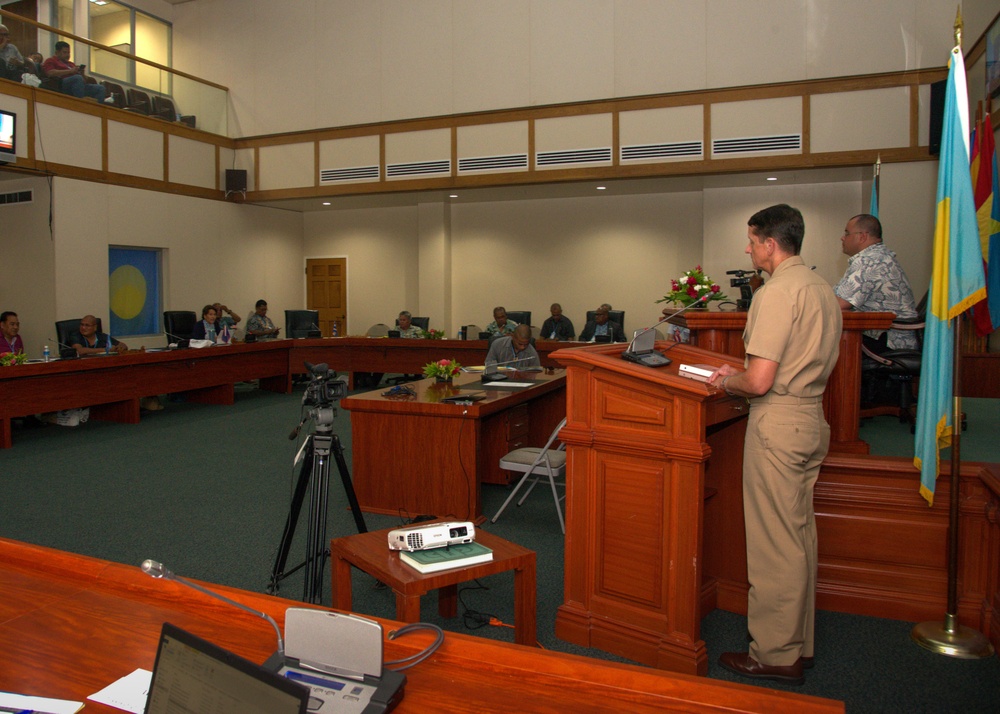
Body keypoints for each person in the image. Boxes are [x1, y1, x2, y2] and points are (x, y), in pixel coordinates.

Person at [707, 204, 841, 686]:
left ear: (769, 243)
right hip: (811, 420)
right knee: (799, 536)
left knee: (773, 545)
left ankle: (774, 654)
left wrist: (727, 382)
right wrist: (740, 376)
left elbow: (760, 381)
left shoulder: (777, 291)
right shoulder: (822, 287)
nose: (747, 249)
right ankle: (797, 645)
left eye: (751, 240)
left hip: (778, 425)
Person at [833, 213, 919, 351]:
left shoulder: (871, 260)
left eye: (847, 233)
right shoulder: (875, 257)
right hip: (881, 336)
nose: (842, 238)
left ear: (862, 236)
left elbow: (840, 303)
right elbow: (839, 296)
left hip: (888, 342)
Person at [42, 41, 109, 103]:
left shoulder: (71, 64)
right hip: (62, 84)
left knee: (100, 88)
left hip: (78, 86)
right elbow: (50, 73)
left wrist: (82, 73)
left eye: (68, 53)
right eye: (64, 52)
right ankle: (80, 103)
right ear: (57, 53)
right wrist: (70, 71)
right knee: (77, 78)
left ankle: (97, 109)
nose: (67, 55)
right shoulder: (51, 60)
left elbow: (84, 81)